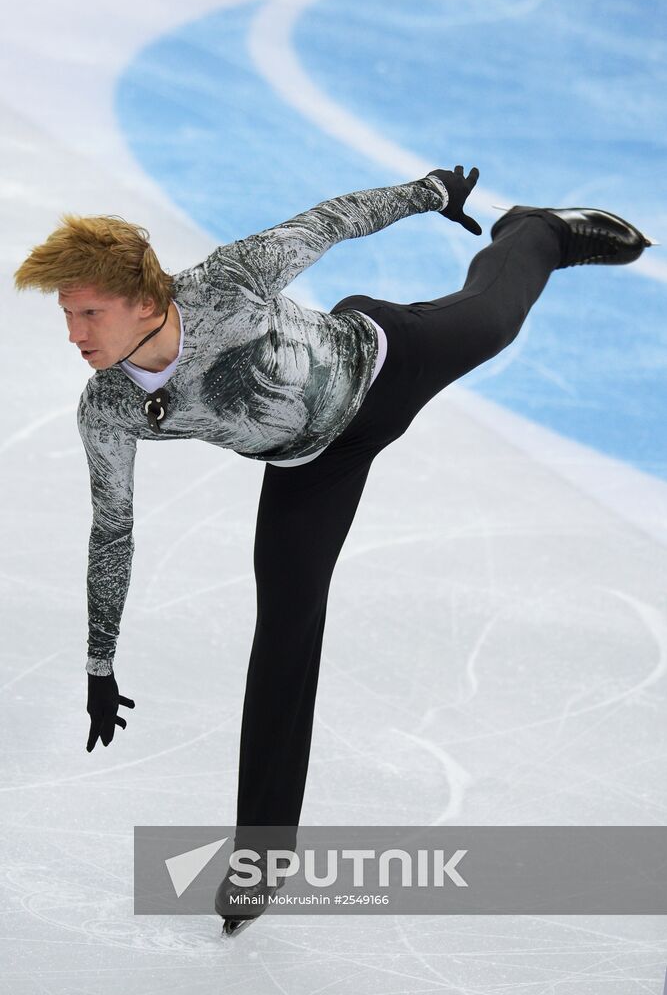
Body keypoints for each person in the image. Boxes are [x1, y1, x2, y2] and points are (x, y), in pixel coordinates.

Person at [13, 166, 654, 935]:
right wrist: (99, 662)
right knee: (283, 634)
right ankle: (259, 863)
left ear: (145, 301)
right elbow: (111, 528)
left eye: (88, 312)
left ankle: (537, 231)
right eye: (67, 315)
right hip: (310, 470)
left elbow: (331, 219)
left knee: (494, 317)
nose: (74, 335)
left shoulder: (225, 283)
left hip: (383, 366)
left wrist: (432, 192)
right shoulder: (110, 404)